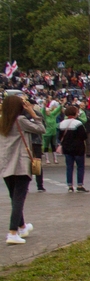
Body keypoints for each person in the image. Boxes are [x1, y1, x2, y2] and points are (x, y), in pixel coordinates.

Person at [1, 94, 44, 245]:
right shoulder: (20, 120)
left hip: (5, 163)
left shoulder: (2, 120)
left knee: (14, 197)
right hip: (20, 162)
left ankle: (22, 227)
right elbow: (41, 129)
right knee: (19, 198)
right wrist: (33, 113)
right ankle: (12, 232)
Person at [59, 105, 89, 193]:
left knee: (69, 167)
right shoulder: (78, 123)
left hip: (67, 148)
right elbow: (84, 136)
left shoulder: (62, 123)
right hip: (78, 148)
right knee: (80, 167)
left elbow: (60, 136)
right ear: (75, 113)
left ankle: (70, 186)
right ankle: (80, 185)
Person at [40, 100, 61, 165]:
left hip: (53, 133)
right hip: (47, 134)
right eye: (47, 111)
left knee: (53, 146)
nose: (48, 112)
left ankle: (55, 159)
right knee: (46, 146)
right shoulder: (45, 117)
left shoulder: (52, 115)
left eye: (49, 111)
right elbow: (43, 111)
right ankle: (47, 159)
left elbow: (57, 110)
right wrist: (44, 106)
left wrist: (61, 104)